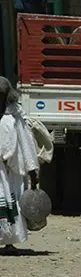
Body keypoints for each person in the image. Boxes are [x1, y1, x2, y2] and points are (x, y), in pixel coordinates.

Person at [1, 77, 40, 250]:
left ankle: (9, 242)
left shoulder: (16, 117)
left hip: (11, 171)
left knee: (11, 201)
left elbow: (26, 144)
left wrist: (32, 171)